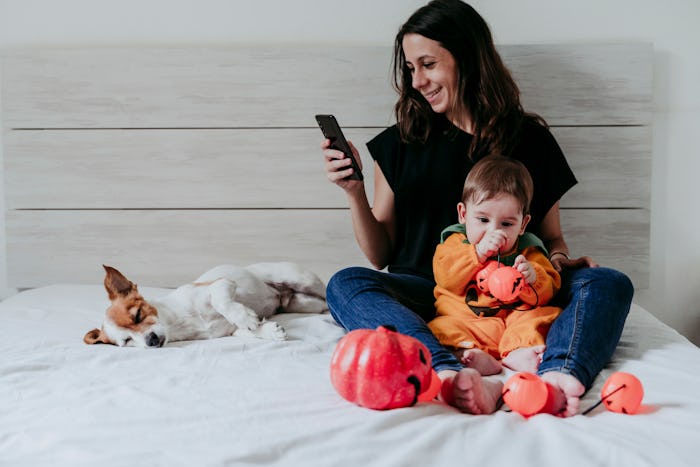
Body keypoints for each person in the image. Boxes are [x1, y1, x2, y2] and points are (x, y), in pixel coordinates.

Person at [320, 0, 633, 416]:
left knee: (608, 281)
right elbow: (379, 255)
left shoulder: (530, 140)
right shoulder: (398, 143)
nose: (417, 81)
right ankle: (449, 371)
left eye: (427, 64)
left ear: (466, 56)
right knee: (344, 283)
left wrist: (558, 261)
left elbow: (552, 235)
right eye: (411, 68)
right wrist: (354, 193)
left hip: (519, 293)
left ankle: (558, 374)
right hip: (426, 291)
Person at [429, 156, 562, 376]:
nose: (494, 232)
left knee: (541, 317)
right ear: (463, 214)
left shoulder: (528, 250)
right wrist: (478, 254)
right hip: (466, 322)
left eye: (507, 224)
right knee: (441, 328)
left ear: (523, 224)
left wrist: (532, 277)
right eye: (483, 220)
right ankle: (470, 355)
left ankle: (518, 352)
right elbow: (446, 277)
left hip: (511, 325)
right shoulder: (455, 244)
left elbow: (549, 289)